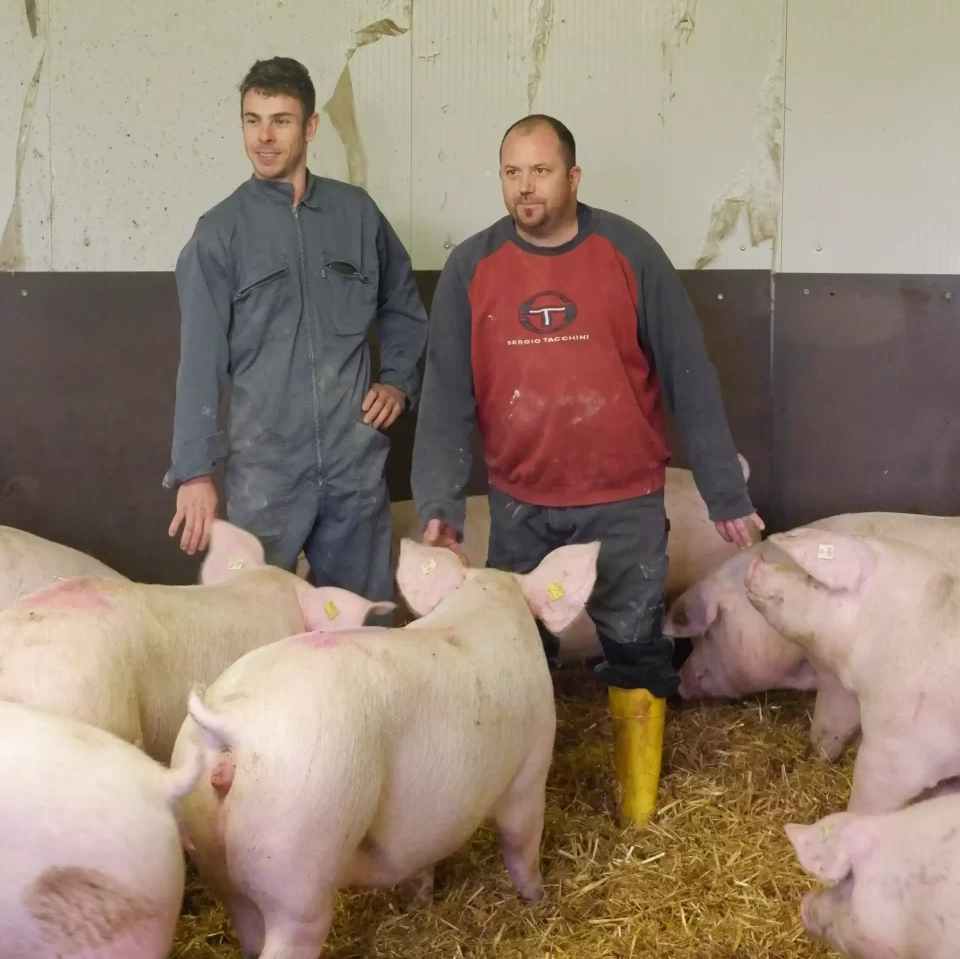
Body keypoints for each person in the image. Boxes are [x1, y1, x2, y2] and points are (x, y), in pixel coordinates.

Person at [410, 114, 762, 826]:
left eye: (540, 171)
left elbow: (689, 375)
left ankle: (636, 810)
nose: (525, 187)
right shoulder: (471, 268)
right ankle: (517, 795)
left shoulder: (629, 254)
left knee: (634, 642)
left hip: (624, 498)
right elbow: (447, 390)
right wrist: (439, 500)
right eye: (512, 172)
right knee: (515, 653)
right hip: (520, 501)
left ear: (573, 176)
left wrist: (724, 489)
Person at [163, 56, 428, 610]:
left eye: (280, 120)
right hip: (266, 472)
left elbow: (403, 305)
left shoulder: (356, 215)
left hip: (354, 464)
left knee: (365, 625)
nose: (264, 136)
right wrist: (194, 472)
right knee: (252, 623)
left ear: (309, 127)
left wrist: (398, 382)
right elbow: (200, 361)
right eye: (252, 119)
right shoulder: (219, 233)